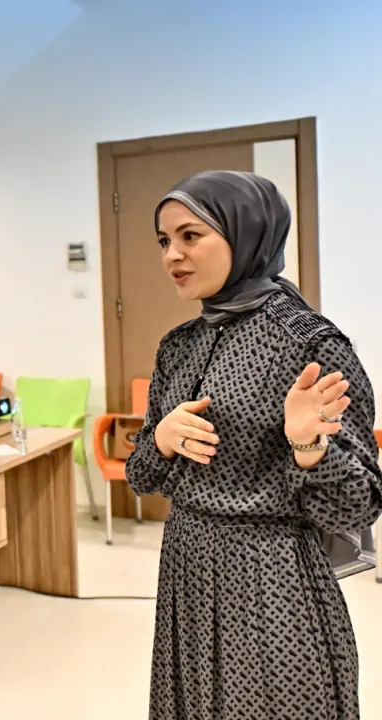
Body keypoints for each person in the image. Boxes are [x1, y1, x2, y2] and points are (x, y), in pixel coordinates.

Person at [126, 171, 382, 720]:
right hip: (186, 570)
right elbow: (140, 477)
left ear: (247, 234)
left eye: (191, 235)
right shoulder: (178, 347)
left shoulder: (310, 344)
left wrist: (309, 446)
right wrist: (162, 440)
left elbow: (358, 507)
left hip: (271, 580)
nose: (172, 255)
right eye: (164, 240)